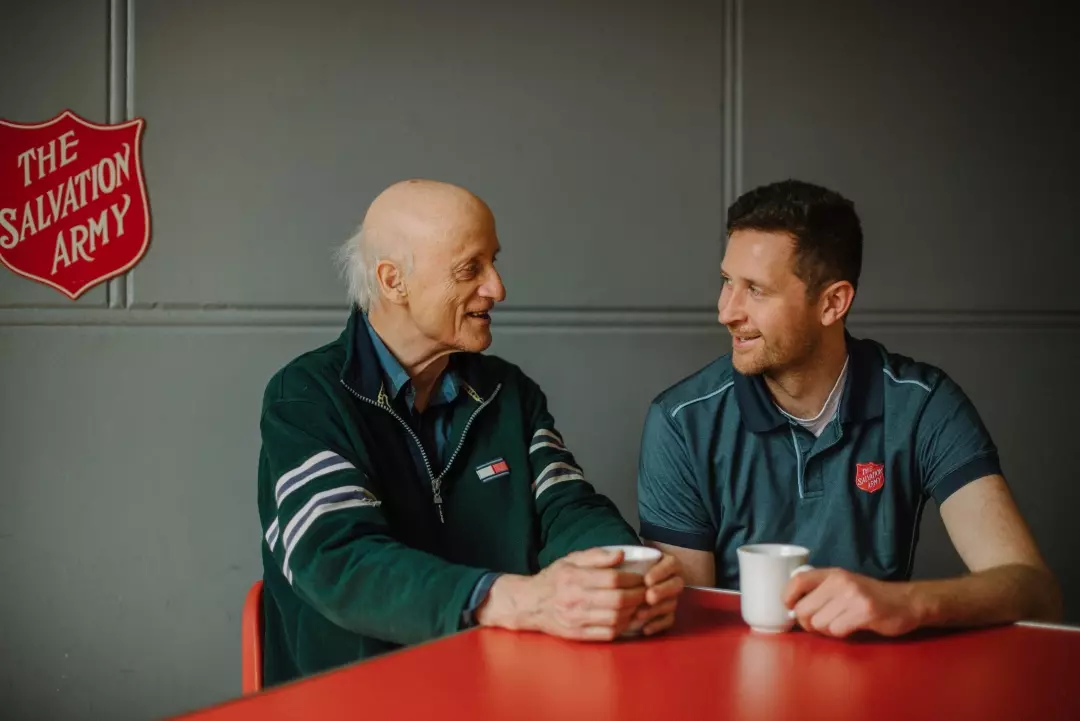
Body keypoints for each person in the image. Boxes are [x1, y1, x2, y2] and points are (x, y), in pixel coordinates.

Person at [256, 179, 683, 685]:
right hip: (359, 695)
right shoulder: (305, 396)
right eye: (470, 269)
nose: (497, 288)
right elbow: (338, 559)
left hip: (505, 683)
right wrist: (511, 600)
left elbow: (566, 506)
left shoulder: (507, 390)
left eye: (493, 262)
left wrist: (621, 567)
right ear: (394, 282)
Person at [636, 178, 1062, 638]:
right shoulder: (681, 423)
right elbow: (686, 624)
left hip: (879, 686)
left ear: (833, 303)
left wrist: (907, 602)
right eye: (726, 282)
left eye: (755, 290)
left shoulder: (923, 405)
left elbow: (1035, 590)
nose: (726, 311)